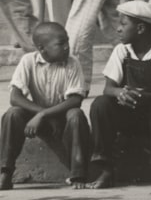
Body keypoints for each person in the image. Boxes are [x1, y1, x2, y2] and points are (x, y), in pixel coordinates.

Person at [88, 1, 151, 189]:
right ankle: (106, 169)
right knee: (100, 104)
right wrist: (120, 92)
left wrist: (145, 97)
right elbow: (108, 88)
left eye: (123, 24)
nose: (118, 29)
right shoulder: (122, 50)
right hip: (129, 114)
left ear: (140, 28)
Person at [0, 23, 90, 190]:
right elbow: (15, 97)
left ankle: (78, 173)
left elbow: (75, 100)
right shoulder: (28, 61)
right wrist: (41, 114)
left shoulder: (72, 63)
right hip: (35, 120)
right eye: (60, 43)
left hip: (62, 119)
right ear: (42, 48)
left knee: (76, 114)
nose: (66, 47)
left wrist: (44, 114)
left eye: (67, 42)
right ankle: (5, 171)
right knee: (12, 114)